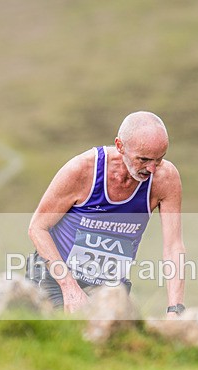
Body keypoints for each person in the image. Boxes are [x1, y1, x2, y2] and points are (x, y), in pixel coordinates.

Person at [27, 111, 185, 317]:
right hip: (55, 279)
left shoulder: (165, 179)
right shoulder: (82, 170)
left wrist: (175, 309)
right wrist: (70, 289)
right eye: (143, 159)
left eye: (159, 159)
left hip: (110, 289)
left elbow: (173, 246)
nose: (152, 169)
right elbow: (37, 228)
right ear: (120, 146)